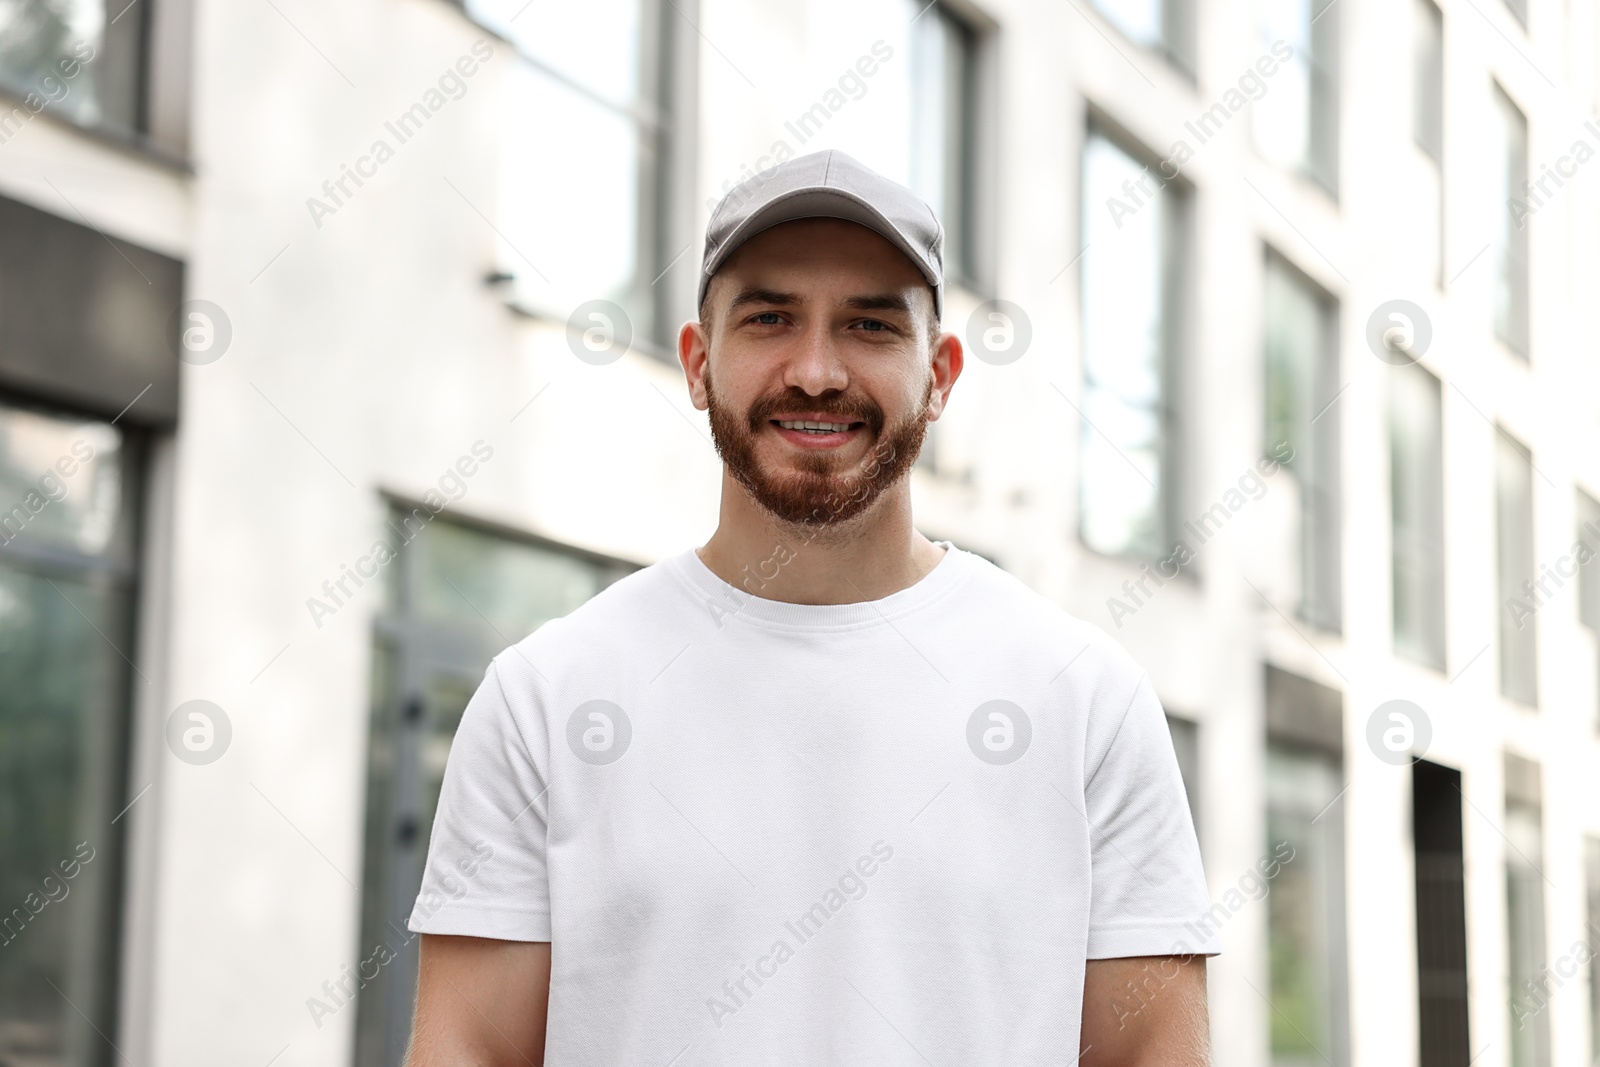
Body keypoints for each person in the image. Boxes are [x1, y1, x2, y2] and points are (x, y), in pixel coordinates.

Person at [403, 149, 1217, 1066]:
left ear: (941, 374)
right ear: (699, 363)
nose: (818, 370)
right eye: (770, 318)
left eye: (870, 324)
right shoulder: (545, 702)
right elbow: (466, 1049)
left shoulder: (1085, 702)